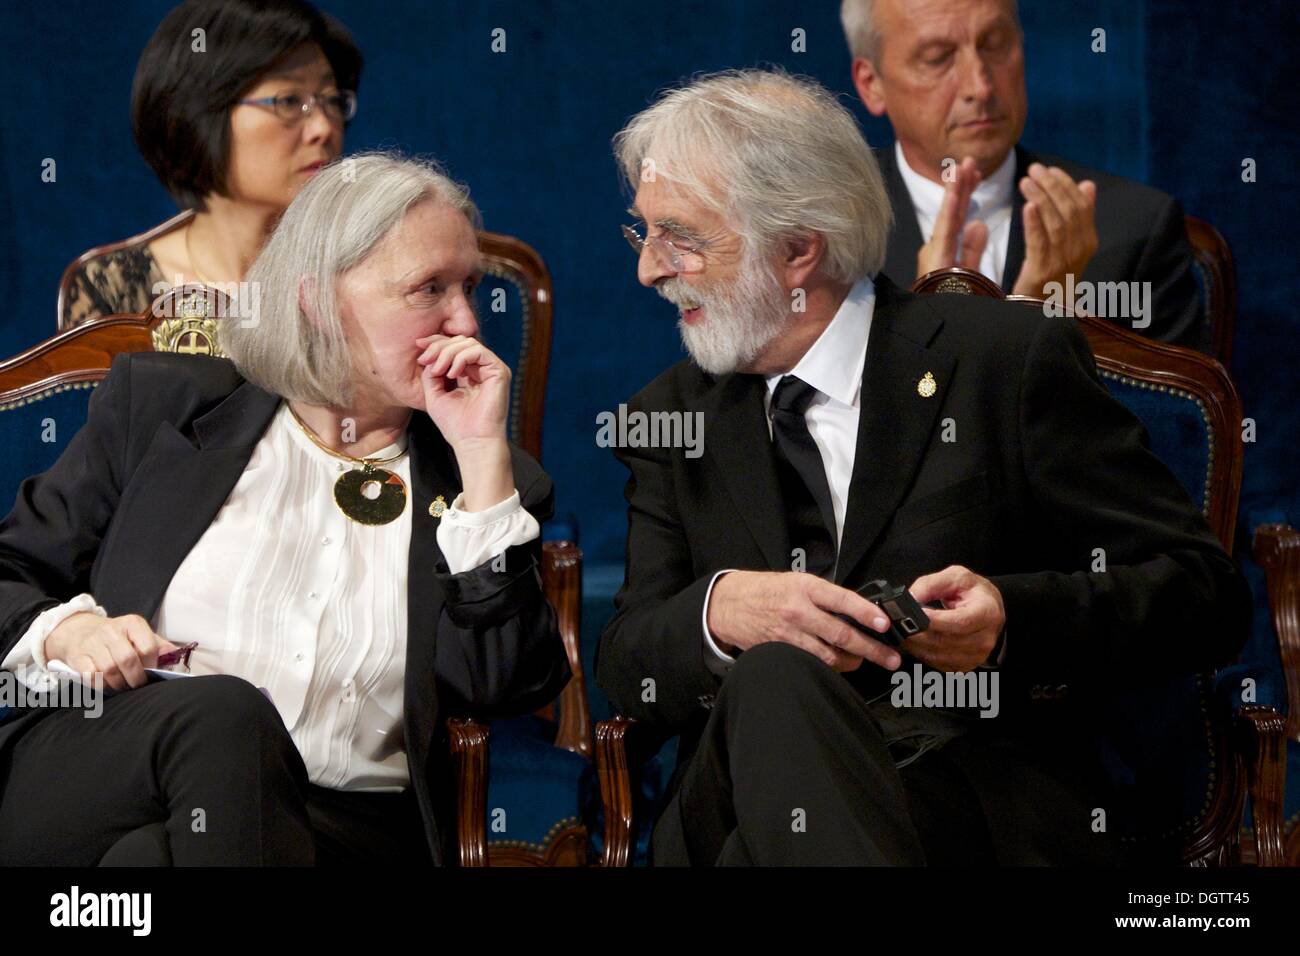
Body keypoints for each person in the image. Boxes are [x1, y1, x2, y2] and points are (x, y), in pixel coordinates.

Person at [596, 69, 1250, 865]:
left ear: (800, 249)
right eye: (645, 233)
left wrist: (1009, 621)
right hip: (739, 782)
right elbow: (629, 664)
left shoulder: (1001, 362)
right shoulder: (671, 420)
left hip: (962, 799)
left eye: (681, 238)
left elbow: (1205, 597)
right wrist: (718, 612)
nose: (650, 270)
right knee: (773, 678)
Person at [0, 153, 568, 865]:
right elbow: (9, 573)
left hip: (340, 828)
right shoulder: (163, 409)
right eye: (429, 289)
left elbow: (506, 685)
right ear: (317, 300)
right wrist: (68, 632)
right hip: (106, 769)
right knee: (226, 712)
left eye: (470, 287)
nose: (466, 321)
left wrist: (483, 452)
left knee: (146, 864)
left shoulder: (485, 488)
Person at [840, 0, 1209, 351]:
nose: (980, 87)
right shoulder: (831, 230)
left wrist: (1048, 315)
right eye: (938, 58)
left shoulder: (1133, 230)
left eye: (996, 45)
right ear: (871, 83)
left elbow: (1167, 415)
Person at [60, 0, 361, 328]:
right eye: (289, 101)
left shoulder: (360, 273)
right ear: (199, 116)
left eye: (332, 101)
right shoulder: (114, 288)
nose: (324, 128)